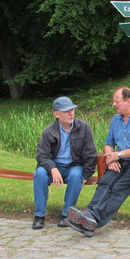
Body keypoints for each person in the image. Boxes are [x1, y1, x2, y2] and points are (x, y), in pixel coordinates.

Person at [65, 87, 130, 236]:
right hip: (121, 161)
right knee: (105, 182)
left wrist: (118, 155)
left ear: (127, 101)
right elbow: (109, 144)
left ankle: (93, 220)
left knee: (118, 188)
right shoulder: (116, 120)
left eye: (116, 101)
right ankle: (88, 215)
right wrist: (110, 158)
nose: (113, 104)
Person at [33, 96, 97, 230]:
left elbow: (90, 154)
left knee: (76, 175)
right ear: (57, 114)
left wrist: (86, 175)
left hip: (74, 166)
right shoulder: (49, 131)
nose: (71, 113)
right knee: (39, 173)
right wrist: (52, 168)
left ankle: (66, 215)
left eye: (72, 110)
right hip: (54, 166)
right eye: (67, 111)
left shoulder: (84, 127)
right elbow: (42, 155)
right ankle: (39, 216)